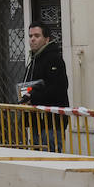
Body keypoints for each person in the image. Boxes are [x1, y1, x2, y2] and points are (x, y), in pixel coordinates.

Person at [20, 23, 69, 152]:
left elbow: (58, 88)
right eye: (30, 36)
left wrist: (33, 97)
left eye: (37, 35)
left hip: (52, 121)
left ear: (46, 39)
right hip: (36, 120)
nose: (32, 39)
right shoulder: (33, 60)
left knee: (51, 156)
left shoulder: (54, 59)